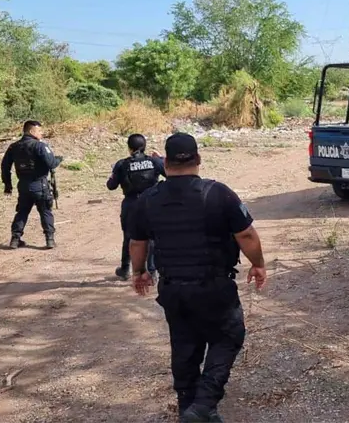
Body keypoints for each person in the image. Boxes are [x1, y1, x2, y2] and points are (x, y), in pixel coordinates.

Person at [128, 132, 267, 423]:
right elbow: (246, 233)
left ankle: (189, 409)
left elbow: (137, 243)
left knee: (184, 346)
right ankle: (203, 404)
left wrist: (139, 271)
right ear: (198, 159)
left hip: (174, 289)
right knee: (229, 335)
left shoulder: (148, 200)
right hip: (214, 287)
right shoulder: (218, 193)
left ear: (165, 162)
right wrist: (258, 264)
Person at [106, 133, 166, 280]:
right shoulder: (154, 162)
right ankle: (152, 271)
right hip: (151, 203)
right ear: (144, 147)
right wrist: (162, 159)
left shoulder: (122, 164)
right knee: (152, 237)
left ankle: (125, 269)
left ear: (129, 148)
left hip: (131, 205)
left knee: (129, 237)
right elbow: (171, 173)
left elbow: (111, 186)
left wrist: (113, 172)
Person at [1, 120, 63, 250]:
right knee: (45, 211)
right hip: (40, 184)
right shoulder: (39, 146)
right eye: (39, 131)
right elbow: (51, 163)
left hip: (23, 186)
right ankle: (50, 239)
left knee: (22, 212)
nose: (42, 133)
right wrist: (58, 159)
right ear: (31, 131)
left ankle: (15, 239)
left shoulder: (14, 146)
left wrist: (8, 185)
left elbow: (5, 166)